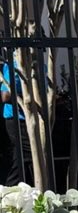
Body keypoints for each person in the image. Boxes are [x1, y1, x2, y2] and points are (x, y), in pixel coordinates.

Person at [1, 54, 31, 185]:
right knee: (25, 156)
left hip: (31, 119)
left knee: (25, 157)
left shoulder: (40, 64)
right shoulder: (14, 64)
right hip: (17, 119)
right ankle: (10, 191)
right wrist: (31, 98)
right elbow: (6, 96)